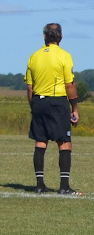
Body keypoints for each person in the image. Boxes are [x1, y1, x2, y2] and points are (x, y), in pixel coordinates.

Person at [25, 23, 83, 196]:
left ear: (44, 37)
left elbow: (30, 87)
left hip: (38, 102)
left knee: (40, 141)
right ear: (61, 37)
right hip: (57, 102)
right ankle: (64, 186)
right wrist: (75, 108)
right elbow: (70, 85)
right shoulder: (65, 56)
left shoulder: (34, 56)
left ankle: (40, 185)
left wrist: (33, 106)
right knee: (64, 142)